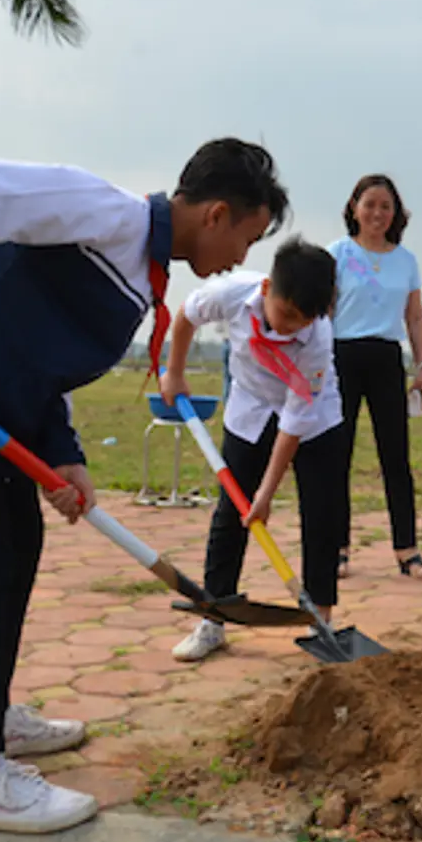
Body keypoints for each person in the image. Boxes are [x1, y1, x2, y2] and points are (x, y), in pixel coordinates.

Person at [0, 141, 288, 834]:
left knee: (16, 552)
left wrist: (64, 454)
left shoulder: (139, 272)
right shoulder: (104, 215)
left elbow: (37, 355)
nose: (236, 261)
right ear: (218, 214)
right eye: (246, 239)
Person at [161, 239, 345, 661]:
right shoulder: (232, 293)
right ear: (268, 290)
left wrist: (265, 495)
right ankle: (213, 617)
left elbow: (296, 422)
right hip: (250, 409)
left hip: (315, 422)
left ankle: (322, 620)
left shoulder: (317, 338)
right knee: (230, 513)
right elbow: (187, 316)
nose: (290, 328)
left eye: (301, 321)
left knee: (322, 515)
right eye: (286, 315)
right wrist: (174, 373)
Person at [328, 175, 422, 580]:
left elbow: (414, 316)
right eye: (369, 204)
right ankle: (336, 547)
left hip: (387, 358)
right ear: (354, 207)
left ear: (396, 214)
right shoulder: (336, 254)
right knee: (337, 456)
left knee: (396, 457)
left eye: (386, 206)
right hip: (341, 356)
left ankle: (407, 550)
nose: (377, 213)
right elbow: (323, 312)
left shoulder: (406, 260)